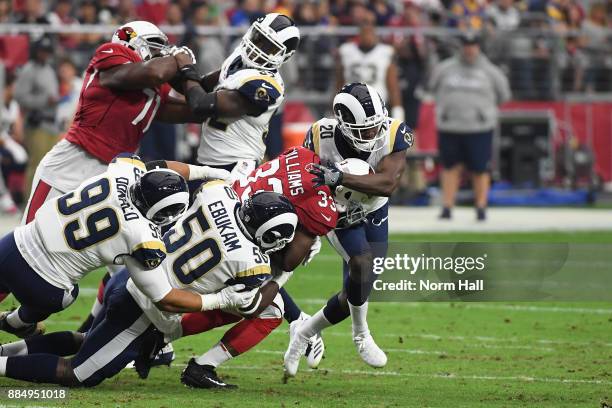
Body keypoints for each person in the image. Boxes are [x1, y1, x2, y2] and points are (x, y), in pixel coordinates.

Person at [0, 187, 297, 387]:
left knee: (86, 339)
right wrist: (282, 274)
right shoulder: (253, 264)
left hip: (132, 278)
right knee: (78, 373)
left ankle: (4, 351)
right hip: (146, 312)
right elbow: (251, 306)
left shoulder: (217, 193)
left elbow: (195, 185)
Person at [0, 153, 228, 339]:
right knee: (68, 294)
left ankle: (16, 323)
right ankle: (17, 321)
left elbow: (159, 165)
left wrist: (206, 171)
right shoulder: (142, 237)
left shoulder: (124, 171)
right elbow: (164, 297)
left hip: (12, 246)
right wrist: (221, 300)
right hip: (46, 288)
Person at [176, 146, 338, 388]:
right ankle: (182, 349)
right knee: (263, 306)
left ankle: (161, 335)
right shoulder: (321, 208)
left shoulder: (300, 155)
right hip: (238, 240)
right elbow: (287, 263)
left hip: (223, 204)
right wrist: (308, 238)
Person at [283, 83, 414, 377]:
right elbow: (303, 180)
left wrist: (340, 176)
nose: (374, 134)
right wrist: (311, 225)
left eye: (376, 126)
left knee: (359, 288)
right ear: (344, 124)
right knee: (361, 263)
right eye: (365, 130)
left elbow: (388, 183)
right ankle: (361, 333)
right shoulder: (320, 135)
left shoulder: (393, 132)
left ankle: (304, 332)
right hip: (338, 213)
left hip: (375, 209)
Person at [175, 12, 300, 181]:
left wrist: (186, 68)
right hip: (206, 161)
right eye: (258, 37)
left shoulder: (267, 85)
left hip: (235, 168)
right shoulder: (238, 58)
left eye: (269, 47)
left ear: (283, 56)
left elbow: (201, 104)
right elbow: (200, 85)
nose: (258, 47)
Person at [428, 31, 510, 221]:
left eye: (473, 45)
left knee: (480, 168)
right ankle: (447, 206)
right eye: (466, 45)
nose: (469, 49)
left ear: (478, 47)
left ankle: (481, 207)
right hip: (450, 126)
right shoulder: (445, 69)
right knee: (449, 167)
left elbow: (504, 95)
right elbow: (432, 88)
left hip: (479, 129)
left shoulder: (491, 71)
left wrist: (484, 111)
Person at [13, 36, 59, 196]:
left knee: (50, 166)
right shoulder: (29, 69)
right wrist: (44, 100)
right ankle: (29, 201)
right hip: (36, 124)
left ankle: (43, 201)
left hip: (52, 125)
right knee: (37, 165)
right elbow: (19, 97)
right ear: (35, 52)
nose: (44, 55)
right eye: (41, 51)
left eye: (47, 52)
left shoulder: (49, 69)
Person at [336, 23, 405, 122]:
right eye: (364, 33)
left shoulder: (385, 52)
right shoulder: (346, 51)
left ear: (375, 35)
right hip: (349, 106)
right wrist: (333, 108)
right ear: (359, 35)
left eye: (369, 33)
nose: (367, 36)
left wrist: (398, 114)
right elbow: (339, 82)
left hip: (376, 108)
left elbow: (393, 87)